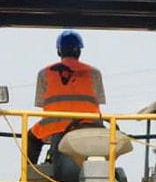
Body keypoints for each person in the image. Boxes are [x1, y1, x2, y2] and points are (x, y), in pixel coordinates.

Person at [25, 30, 106, 168]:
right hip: (91, 126)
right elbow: (99, 100)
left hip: (54, 127)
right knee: (110, 142)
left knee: (31, 138)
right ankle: (107, 173)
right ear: (79, 51)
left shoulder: (45, 73)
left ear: (59, 51)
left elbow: (40, 103)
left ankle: (28, 174)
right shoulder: (94, 73)